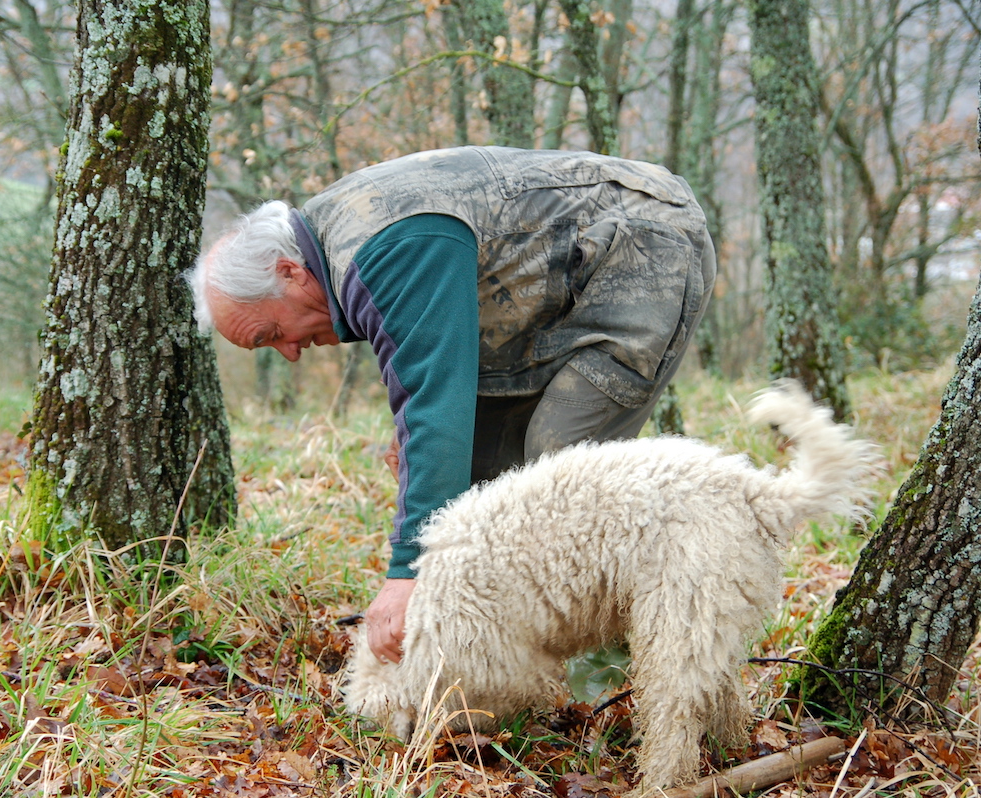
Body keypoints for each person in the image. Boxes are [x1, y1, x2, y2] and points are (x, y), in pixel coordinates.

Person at [187, 146, 716, 668]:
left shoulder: (384, 249)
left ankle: (634, 663)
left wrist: (406, 573)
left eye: (273, 333)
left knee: (560, 467)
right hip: (559, 294)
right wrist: (419, 444)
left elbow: (434, 403)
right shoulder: (335, 244)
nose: (291, 352)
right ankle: (489, 666)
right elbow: (430, 380)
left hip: (643, 244)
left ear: (288, 272)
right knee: (480, 480)